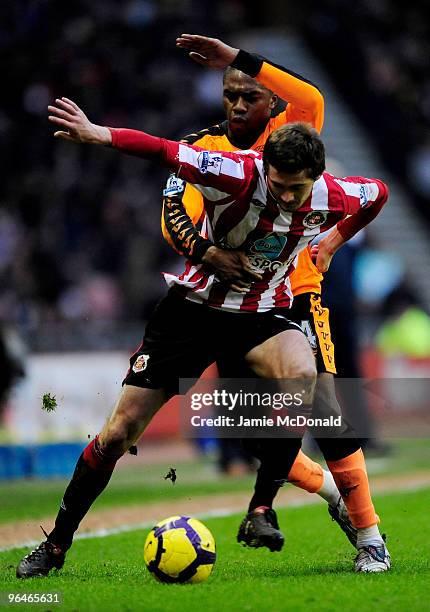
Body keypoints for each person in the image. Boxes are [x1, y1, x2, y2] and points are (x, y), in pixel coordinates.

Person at [17, 82, 389, 579]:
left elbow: (379, 194)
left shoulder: (336, 194)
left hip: (263, 314)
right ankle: (56, 546)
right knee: (118, 433)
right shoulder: (234, 172)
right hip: (192, 312)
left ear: (316, 179)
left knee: (310, 391)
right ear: (264, 169)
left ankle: (302, 520)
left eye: (293, 189)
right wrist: (98, 134)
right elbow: (161, 150)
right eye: (275, 184)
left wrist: (334, 242)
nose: (282, 195)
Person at [164, 34, 386, 567]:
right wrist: (206, 250)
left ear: (270, 102)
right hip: (226, 303)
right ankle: (334, 495)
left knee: (325, 409)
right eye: (230, 96)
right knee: (254, 426)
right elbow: (175, 221)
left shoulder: (288, 139)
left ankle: (370, 537)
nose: (239, 105)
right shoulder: (204, 151)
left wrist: (331, 241)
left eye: (250, 95)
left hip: (294, 292)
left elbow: (314, 101)